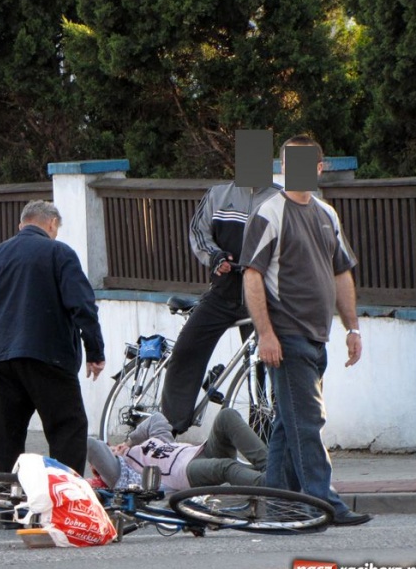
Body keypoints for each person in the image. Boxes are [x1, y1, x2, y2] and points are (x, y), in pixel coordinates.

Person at [239, 135, 371, 526]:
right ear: (282, 166)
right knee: (308, 422)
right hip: (286, 336)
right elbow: (252, 276)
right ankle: (324, 502)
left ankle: (277, 507)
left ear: (319, 167)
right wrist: (265, 334)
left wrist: (353, 328)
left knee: (288, 424)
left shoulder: (326, 214)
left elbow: (342, 272)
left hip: (317, 337)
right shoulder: (270, 212)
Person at [0, 200, 105, 474]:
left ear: (21, 225)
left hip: (1, 364)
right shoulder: (60, 253)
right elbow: (82, 305)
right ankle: (64, 506)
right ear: (52, 224)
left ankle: (9, 510)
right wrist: (95, 352)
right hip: (50, 358)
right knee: (68, 431)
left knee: (8, 441)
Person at [160, 179, 281, 436]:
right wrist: (215, 256)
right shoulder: (218, 194)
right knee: (185, 350)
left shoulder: (279, 198)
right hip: (222, 293)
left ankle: (268, 435)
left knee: (265, 363)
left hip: (260, 297)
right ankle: (168, 429)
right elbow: (198, 232)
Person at [86, 408, 266, 491]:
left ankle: (273, 469)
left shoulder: (157, 442)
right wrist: (114, 453)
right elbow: (92, 445)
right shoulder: (121, 471)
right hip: (185, 474)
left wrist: (129, 441)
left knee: (226, 416)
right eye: (110, 449)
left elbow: (156, 419)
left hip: (200, 452)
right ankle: (274, 485)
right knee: (225, 467)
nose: (113, 448)